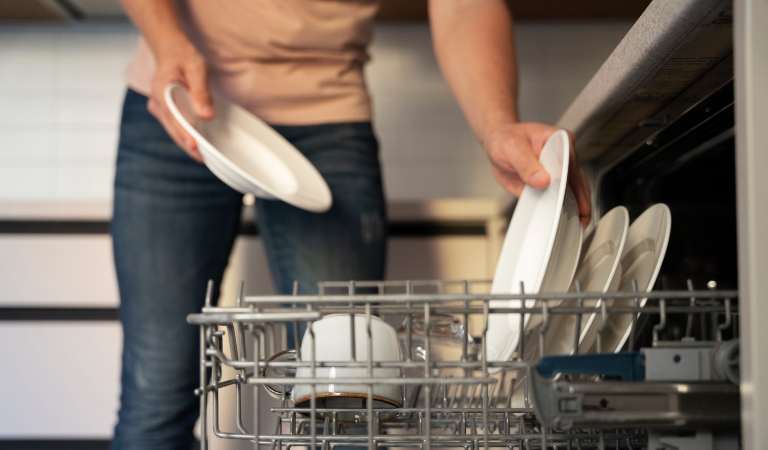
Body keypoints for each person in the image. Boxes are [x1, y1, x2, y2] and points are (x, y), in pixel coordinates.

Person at [111, 0, 591, 449]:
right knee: (155, 393)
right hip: (181, 101)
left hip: (327, 118)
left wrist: (497, 125)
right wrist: (166, 40)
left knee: (345, 402)